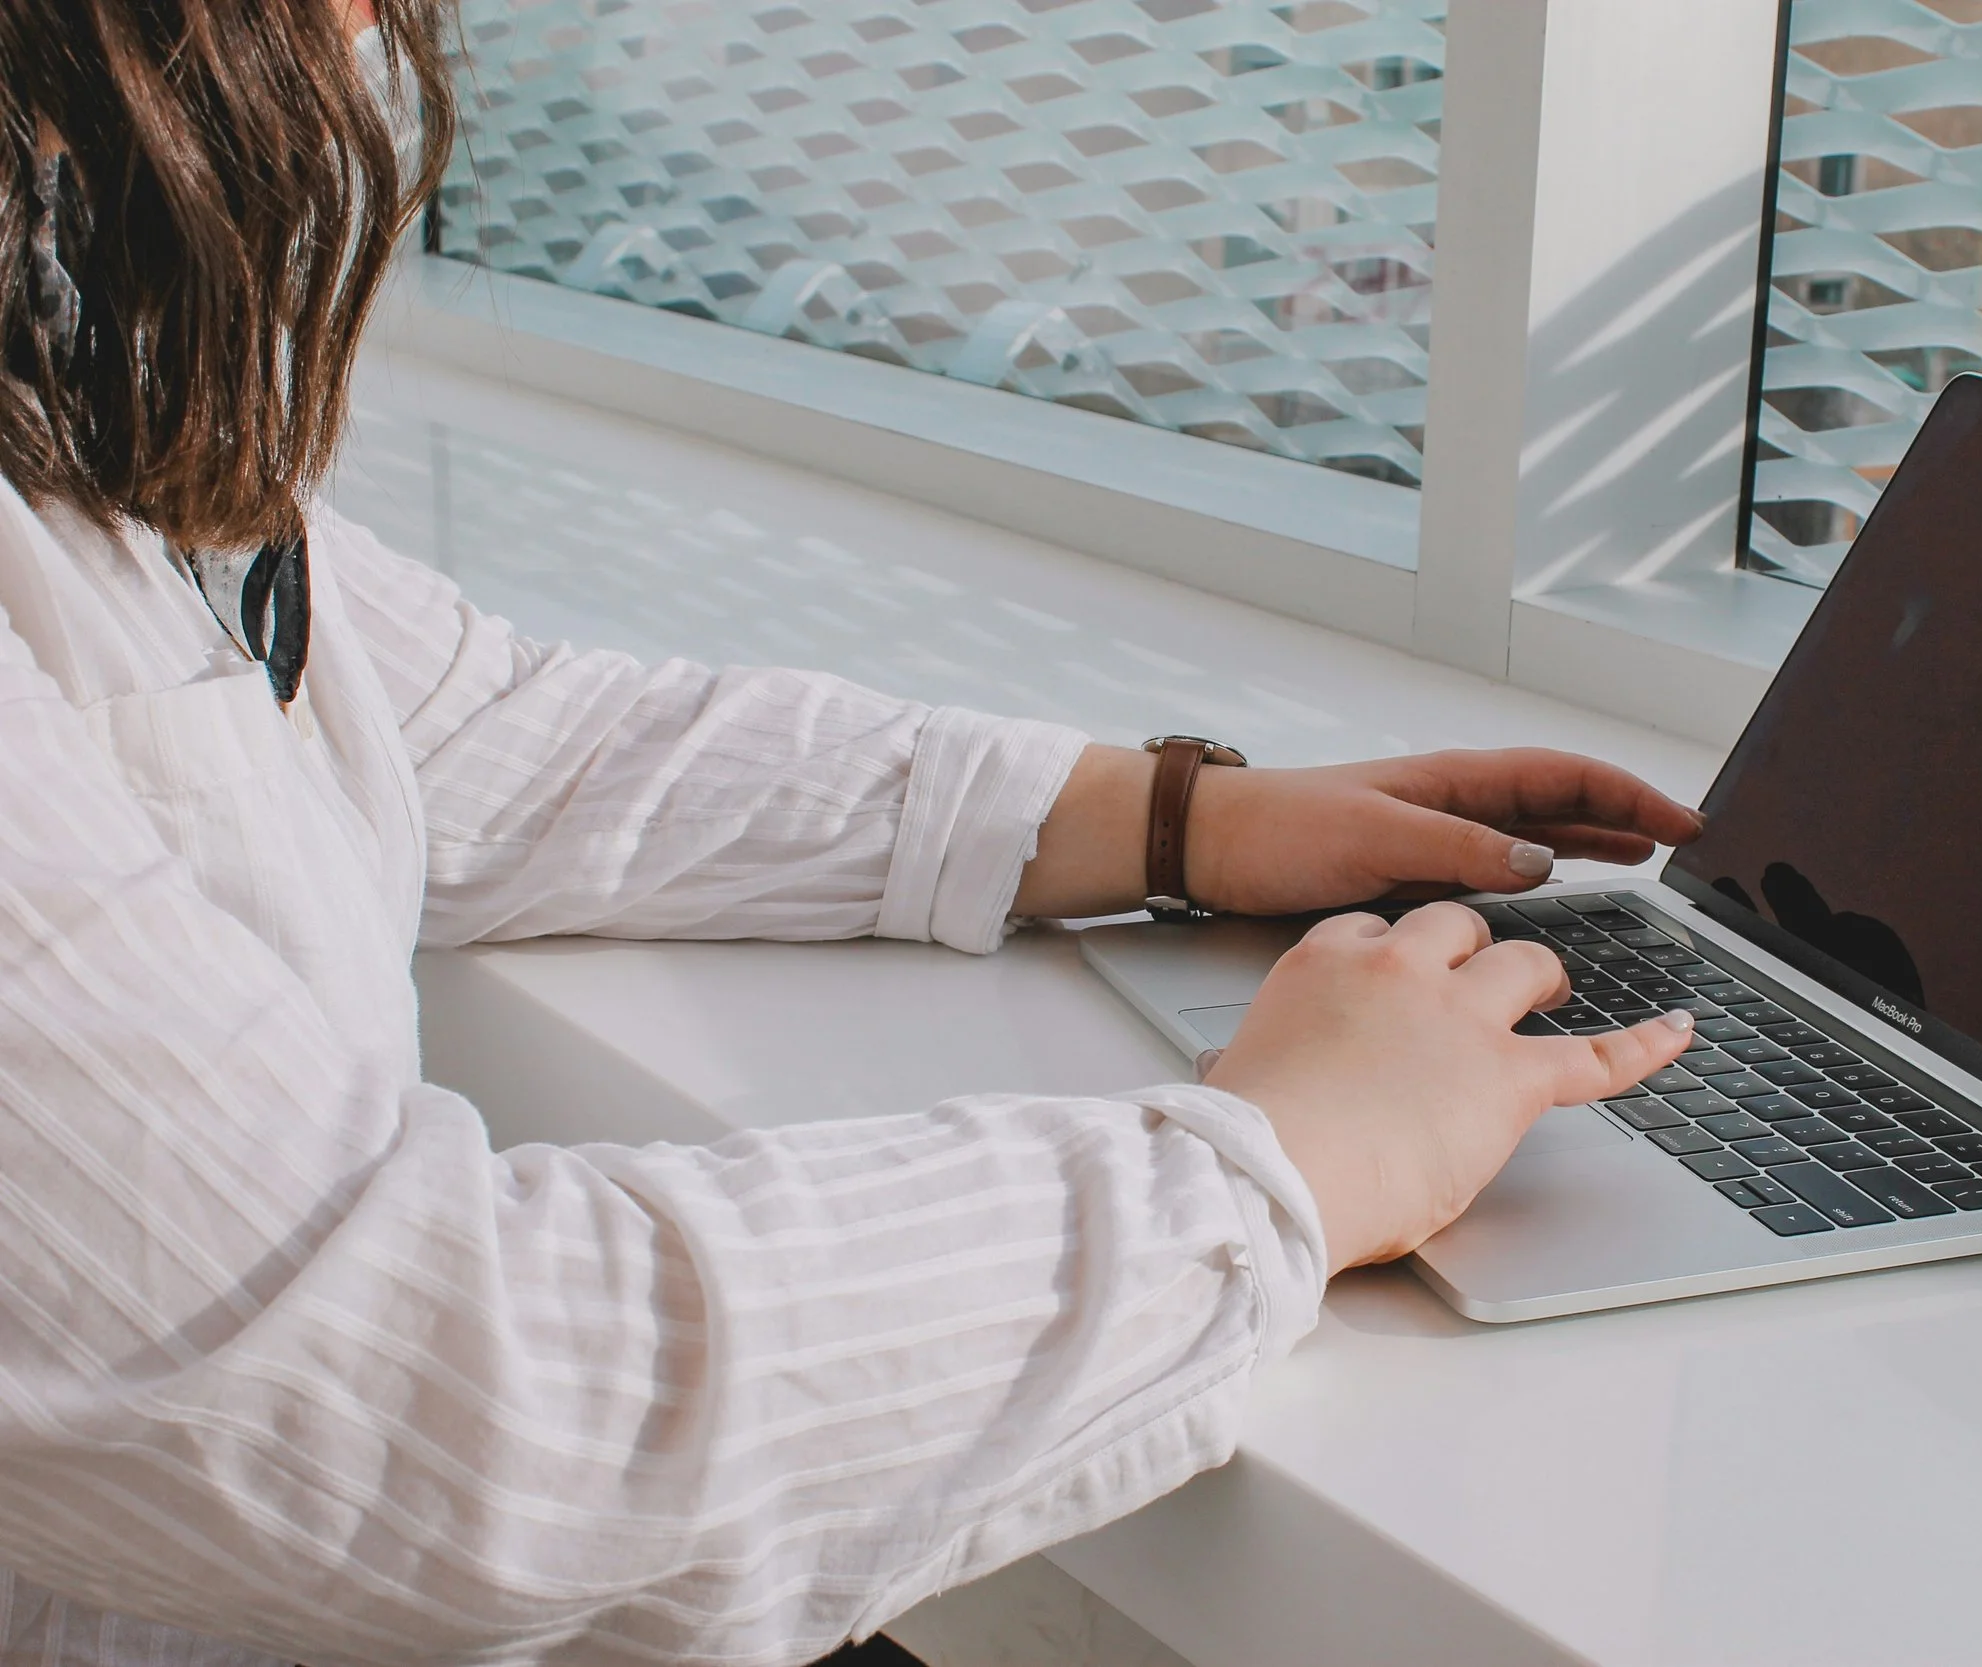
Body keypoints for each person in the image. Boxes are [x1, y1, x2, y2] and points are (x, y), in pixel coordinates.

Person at [0, 4, 1698, 1663]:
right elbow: (437, 1403)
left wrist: (1174, 816)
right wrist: (1284, 1169)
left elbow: (465, 721)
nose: (381, 31)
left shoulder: (53, 334)